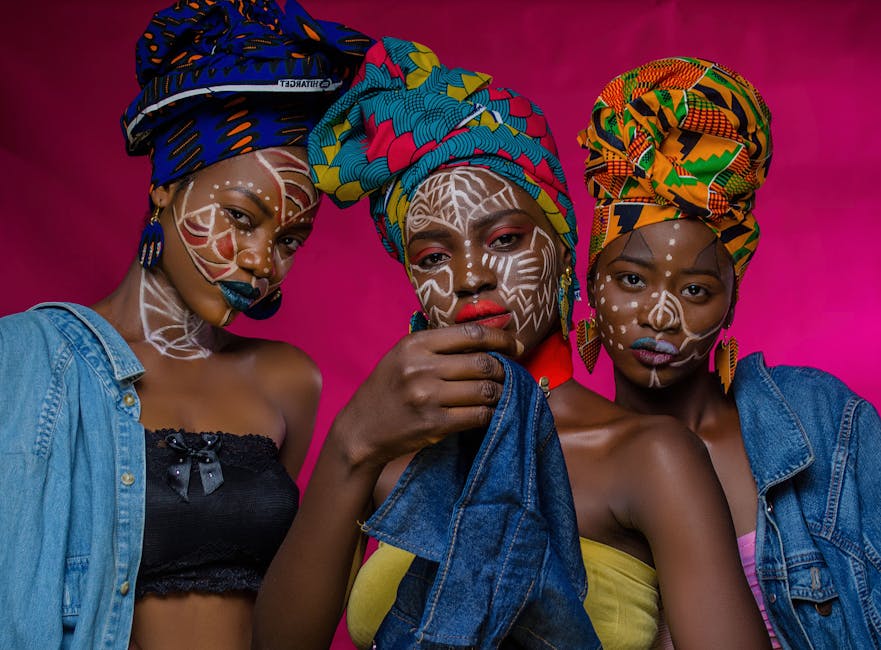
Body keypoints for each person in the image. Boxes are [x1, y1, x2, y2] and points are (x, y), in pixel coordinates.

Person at [254, 38, 770, 650]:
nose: (470, 275)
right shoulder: (386, 457)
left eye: (502, 239)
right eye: (434, 255)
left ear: (561, 250)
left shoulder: (648, 457)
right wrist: (349, 446)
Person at [0, 2, 373, 648]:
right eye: (240, 217)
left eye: (290, 238)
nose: (262, 262)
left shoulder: (287, 382)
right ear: (165, 190)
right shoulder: (30, 361)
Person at [579, 56, 881, 649]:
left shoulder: (822, 424)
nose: (661, 316)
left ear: (731, 305)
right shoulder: (560, 461)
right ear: (591, 285)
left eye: (695, 290)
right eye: (631, 281)